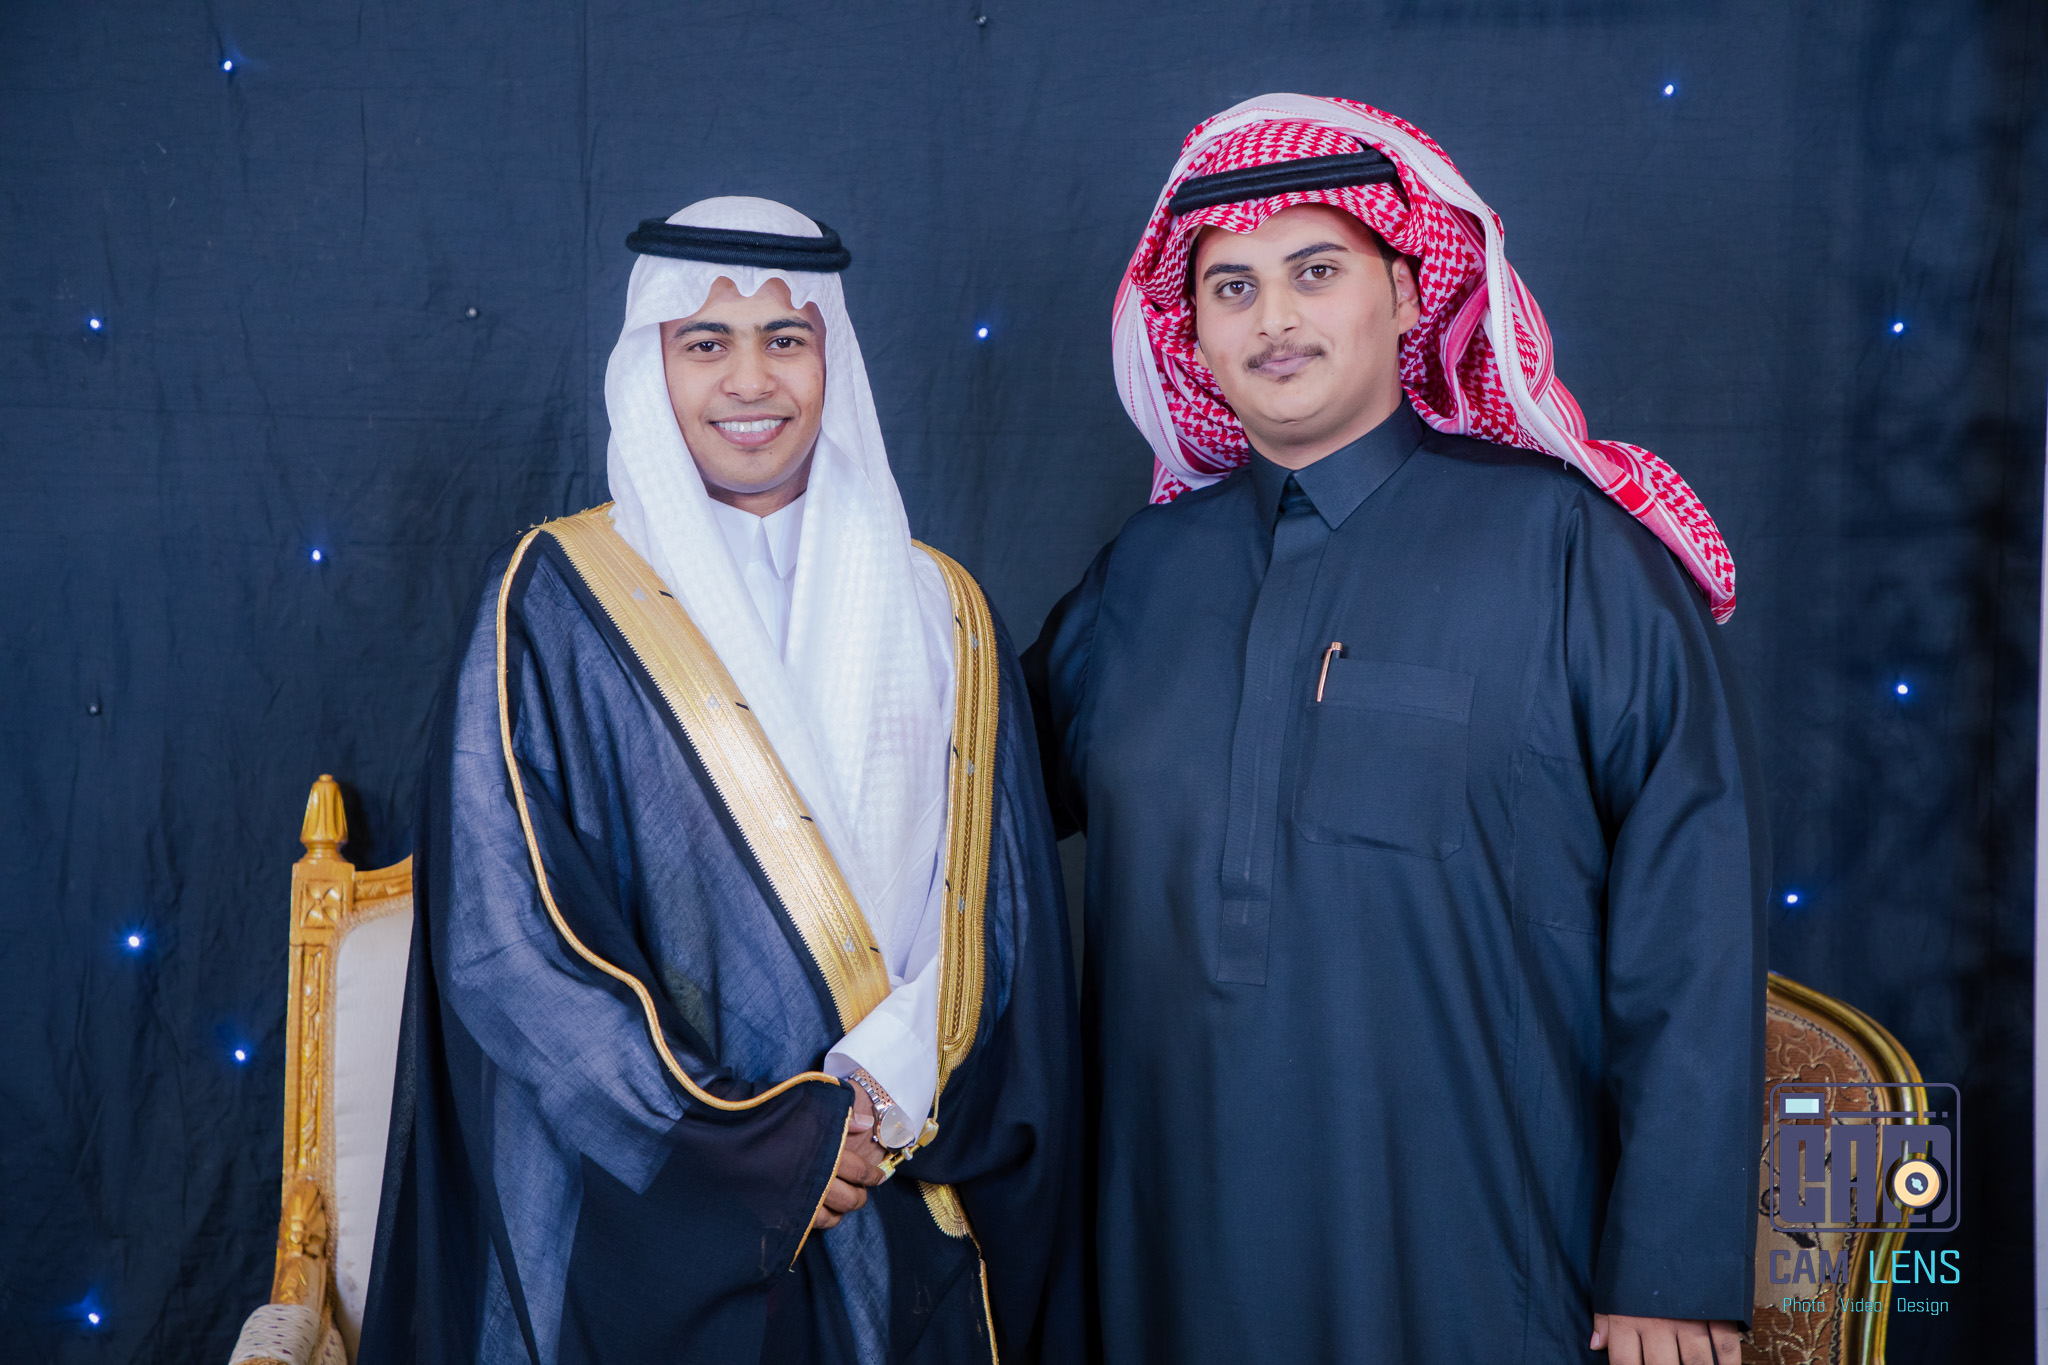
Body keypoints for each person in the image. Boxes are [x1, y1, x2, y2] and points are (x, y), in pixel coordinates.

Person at [1026, 96, 1765, 1365]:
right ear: (1190, 331)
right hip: (1167, 1258)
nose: (1273, 318)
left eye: (1315, 271)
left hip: (1480, 1253)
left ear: (1409, 292)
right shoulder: (1138, 578)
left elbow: (1690, 920)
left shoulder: (1569, 550)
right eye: (1231, 287)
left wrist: (1670, 1259)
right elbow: (963, 824)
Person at [361, 197, 1081, 1364]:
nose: (750, 380)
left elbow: (993, 911)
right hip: (646, 1206)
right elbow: (506, 940)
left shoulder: (941, 609)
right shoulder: (552, 599)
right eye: (706, 342)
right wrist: (749, 1147)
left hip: (894, 1173)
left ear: (831, 358)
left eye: (785, 339)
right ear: (651, 363)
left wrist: (872, 1100)